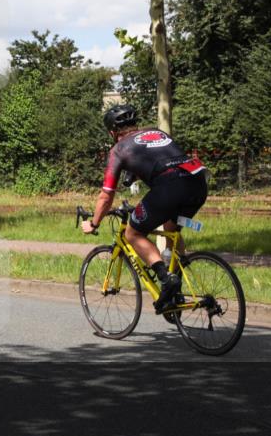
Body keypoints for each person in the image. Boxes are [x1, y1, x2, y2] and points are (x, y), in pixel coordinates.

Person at [80, 104, 208, 311]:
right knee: (170, 227)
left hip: (170, 187)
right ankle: (177, 279)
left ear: (112, 132)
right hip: (197, 181)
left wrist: (94, 223)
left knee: (133, 233)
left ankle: (167, 280)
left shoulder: (118, 149)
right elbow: (161, 159)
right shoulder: (157, 132)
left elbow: (106, 196)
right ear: (135, 124)